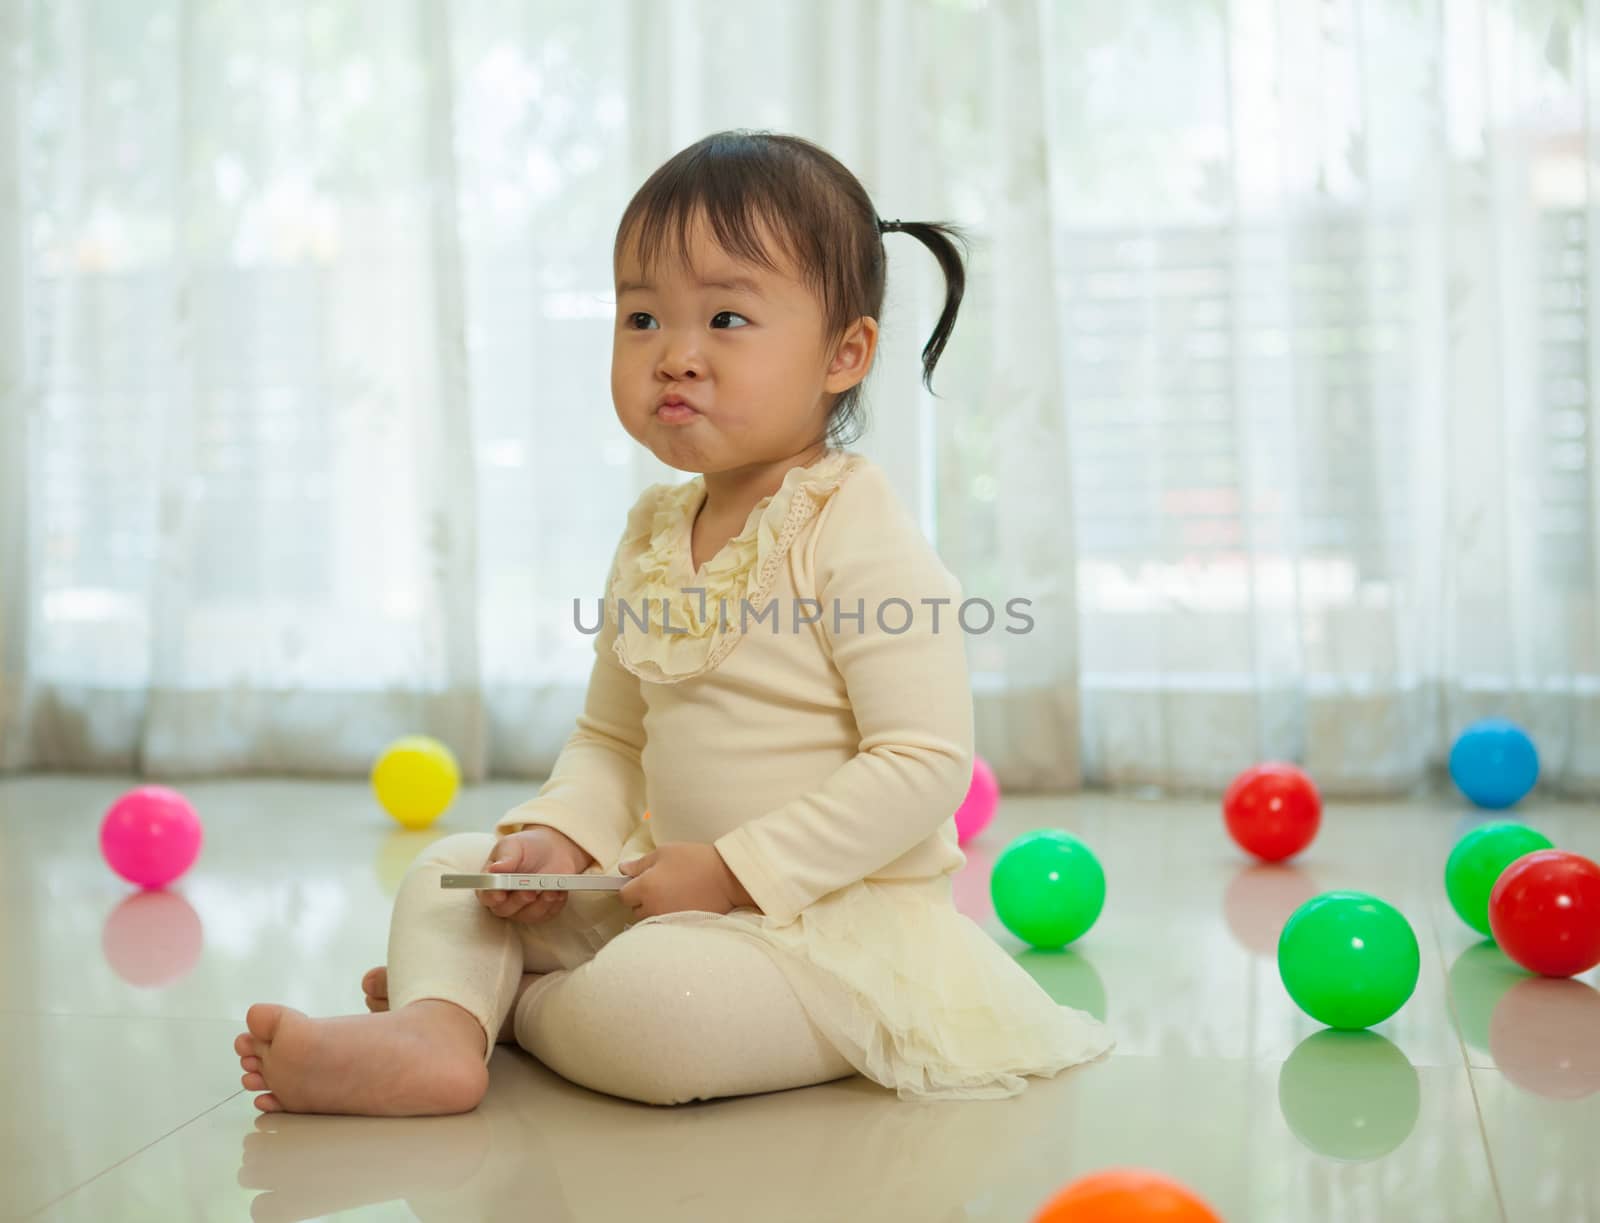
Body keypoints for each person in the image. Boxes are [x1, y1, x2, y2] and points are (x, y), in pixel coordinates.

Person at [233, 129, 1112, 1115]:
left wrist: (735, 870)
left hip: (829, 930)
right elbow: (613, 735)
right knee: (452, 869)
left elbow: (922, 760)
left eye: (726, 317)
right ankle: (439, 1033)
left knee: (663, 1012)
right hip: (677, 890)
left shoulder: (854, 527)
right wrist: (561, 838)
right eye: (641, 316)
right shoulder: (655, 530)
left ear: (843, 353)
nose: (674, 356)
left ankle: (501, 1010)